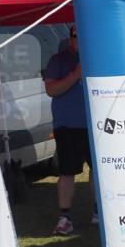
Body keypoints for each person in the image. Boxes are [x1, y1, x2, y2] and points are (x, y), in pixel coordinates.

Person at [43, 25, 94, 235]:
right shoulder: (58, 60)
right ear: (71, 38)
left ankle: (99, 211)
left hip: (96, 125)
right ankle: (65, 217)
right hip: (67, 125)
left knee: (99, 171)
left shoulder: (98, 55)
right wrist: (76, 74)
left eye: (84, 36)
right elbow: (51, 90)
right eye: (76, 36)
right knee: (67, 172)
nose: (80, 40)